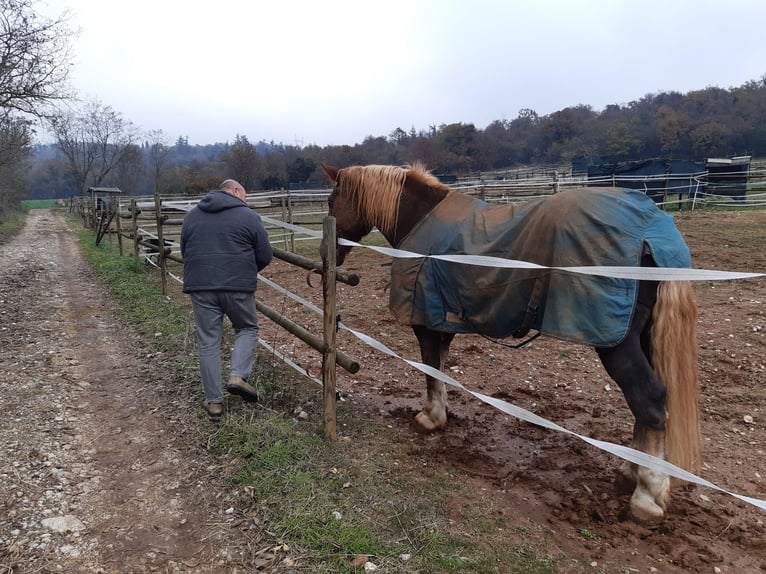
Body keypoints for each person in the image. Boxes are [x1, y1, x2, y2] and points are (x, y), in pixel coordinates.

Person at [180, 179, 273, 420]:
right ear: (235, 191)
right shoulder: (248, 216)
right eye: (244, 195)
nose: (245, 200)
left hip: (201, 286)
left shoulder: (192, 216)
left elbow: (184, 250)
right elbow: (264, 254)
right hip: (237, 286)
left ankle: (214, 403)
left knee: (208, 342)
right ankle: (237, 375)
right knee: (247, 327)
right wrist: (245, 271)